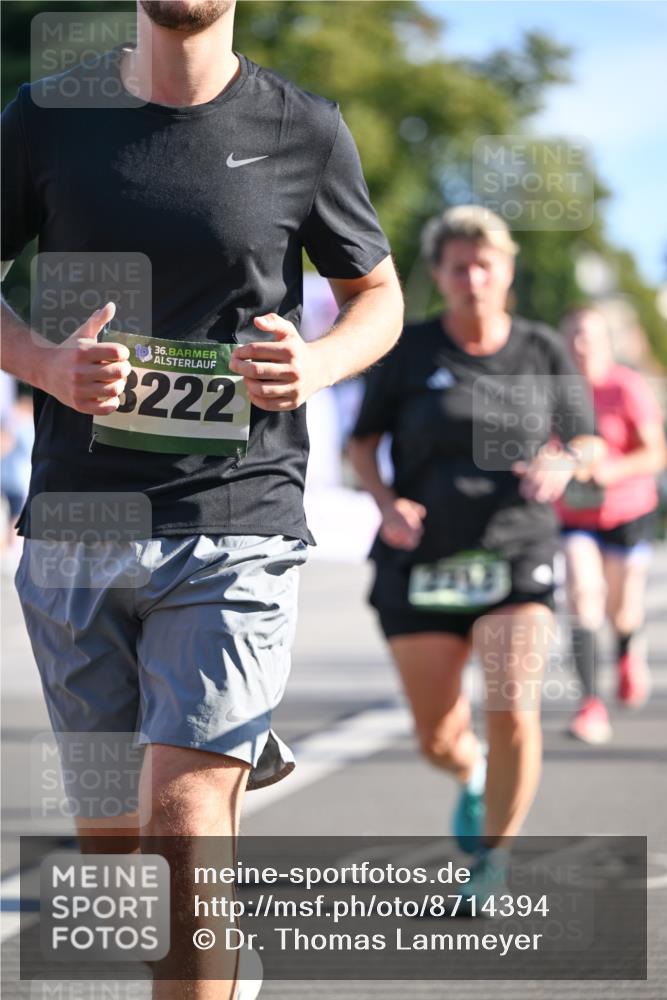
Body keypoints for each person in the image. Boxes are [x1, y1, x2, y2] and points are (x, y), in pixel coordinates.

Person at [0, 2, 403, 996]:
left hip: (235, 514)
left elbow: (378, 296)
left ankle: (212, 746)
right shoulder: (49, 114)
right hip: (78, 521)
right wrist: (49, 367)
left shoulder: (300, 126)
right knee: (121, 857)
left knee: (182, 830)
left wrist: (312, 365)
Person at [348, 205, 597, 900]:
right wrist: (384, 501)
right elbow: (361, 442)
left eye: (486, 264)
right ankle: (468, 774)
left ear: (507, 271)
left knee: (511, 706)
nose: (474, 277)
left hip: (516, 553)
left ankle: (491, 856)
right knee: (435, 737)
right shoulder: (408, 349)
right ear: (438, 274)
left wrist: (566, 460)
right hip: (421, 559)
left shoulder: (540, 349)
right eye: (459, 266)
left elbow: (587, 438)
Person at [556, 306, 666, 744]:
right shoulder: (556, 390)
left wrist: (612, 471)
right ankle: (590, 705)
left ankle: (625, 650)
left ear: (605, 342)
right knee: (583, 597)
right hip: (575, 517)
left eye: (590, 337)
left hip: (628, 510)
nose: (582, 346)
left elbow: (655, 454)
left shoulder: (627, 386)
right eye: (574, 337)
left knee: (622, 612)